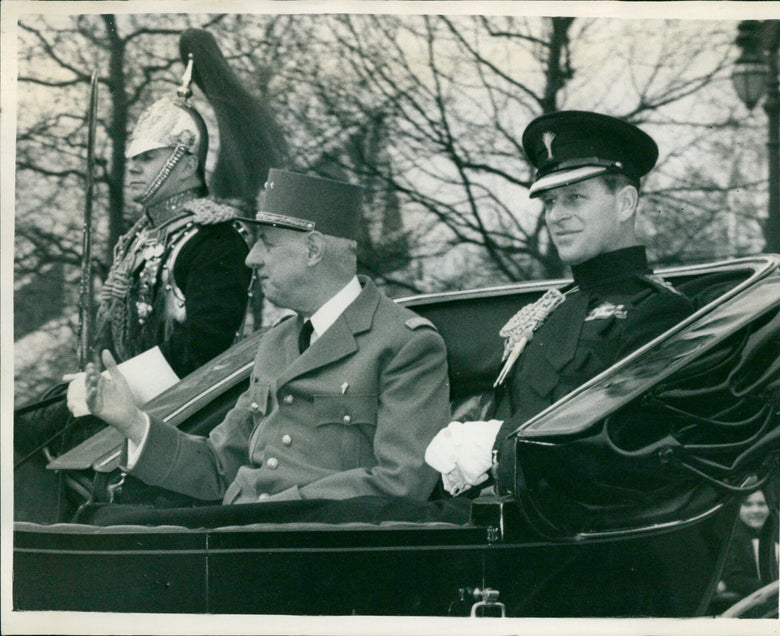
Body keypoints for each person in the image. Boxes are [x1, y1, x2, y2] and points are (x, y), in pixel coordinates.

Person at [72, 169, 451, 504]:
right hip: (249, 541)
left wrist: (277, 508)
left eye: (266, 244)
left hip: (321, 555)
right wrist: (132, 422)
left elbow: (403, 483)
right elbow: (219, 468)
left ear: (314, 249)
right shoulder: (278, 341)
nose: (251, 258)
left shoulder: (406, 344)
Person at [425, 111, 695, 496]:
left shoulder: (660, 312)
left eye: (575, 198)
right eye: (550, 201)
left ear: (625, 203)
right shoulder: (553, 311)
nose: (557, 216)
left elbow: (620, 444)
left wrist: (493, 442)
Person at [69, 30, 289, 410]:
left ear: (187, 165)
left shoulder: (215, 237)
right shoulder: (137, 240)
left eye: (147, 159)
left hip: (189, 416)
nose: (133, 170)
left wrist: (110, 393)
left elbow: (204, 347)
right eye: (133, 160)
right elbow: (113, 337)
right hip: (123, 409)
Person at [718, 490, 778, 598]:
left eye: (761, 504)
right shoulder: (730, 540)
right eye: (747, 504)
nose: (755, 510)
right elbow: (733, 579)